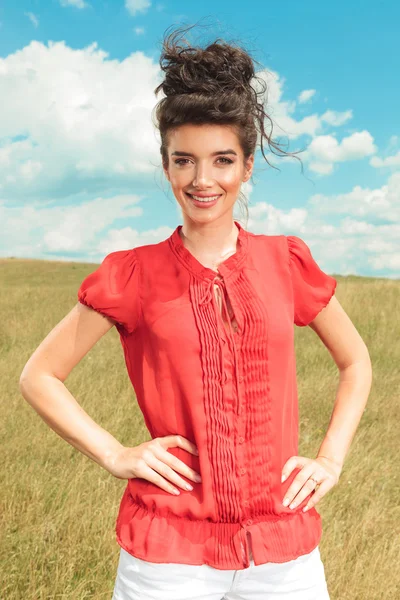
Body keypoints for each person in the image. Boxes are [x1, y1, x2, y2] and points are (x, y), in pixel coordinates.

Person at [19, 23, 372, 600]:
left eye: (222, 160)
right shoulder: (131, 274)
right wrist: (115, 453)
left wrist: (331, 459)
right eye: (184, 161)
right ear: (165, 167)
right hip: (168, 556)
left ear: (248, 166)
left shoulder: (286, 262)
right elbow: (38, 376)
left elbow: (356, 361)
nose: (202, 180)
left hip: (283, 553)